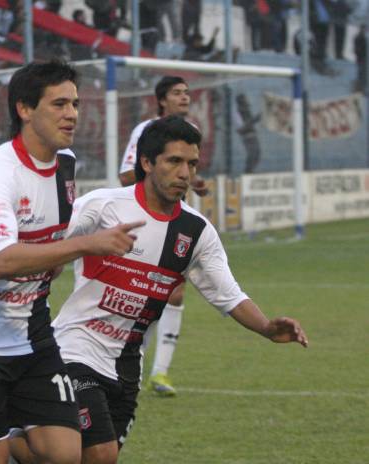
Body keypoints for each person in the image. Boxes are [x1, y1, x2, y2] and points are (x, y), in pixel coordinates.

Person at [53, 115, 309, 463]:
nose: (185, 173)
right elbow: (49, 245)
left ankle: (0, 450)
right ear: (147, 162)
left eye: (191, 163)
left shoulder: (196, 231)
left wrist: (266, 327)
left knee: (95, 458)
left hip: (127, 364)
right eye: (174, 161)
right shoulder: (103, 205)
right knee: (100, 452)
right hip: (75, 348)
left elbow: (228, 293)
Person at [0, 60, 143, 464]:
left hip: (31, 329)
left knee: (64, 453)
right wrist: (87, 244)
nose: (72, 114)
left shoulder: (65, 164)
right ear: (25, 109)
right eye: (59, 104)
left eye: (75, 104)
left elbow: (51, 246)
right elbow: (1, 261)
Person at [118, 75, 207, 397]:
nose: (184, 98)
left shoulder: (191, 131)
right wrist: (156, 178)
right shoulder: (145, 131)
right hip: (144, 220)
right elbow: (125, 175)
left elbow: (185, 175)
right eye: (177, 93)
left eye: (187, 93)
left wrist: (194, 183)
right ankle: (131, 362)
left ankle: (161, 372)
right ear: (161, 100)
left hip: (176, 222)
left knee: (176, 291)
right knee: (142, 291)